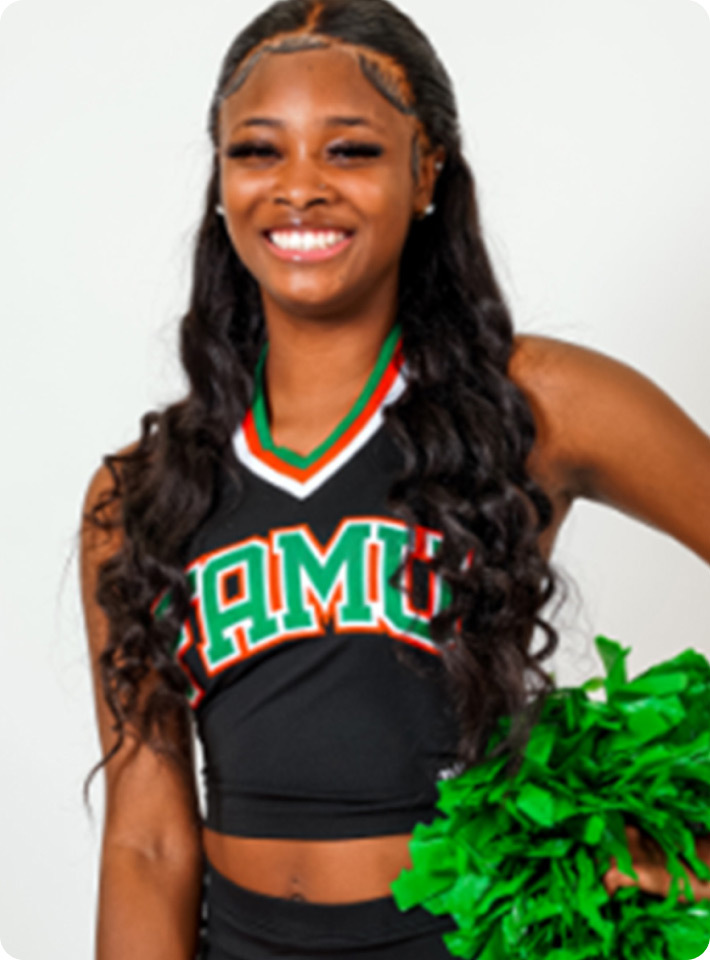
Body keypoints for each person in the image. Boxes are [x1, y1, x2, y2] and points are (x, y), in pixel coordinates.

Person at [79, 0, 710, 957]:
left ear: (426, 174)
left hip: (466, 940)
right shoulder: (138, 492)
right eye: (257, 151)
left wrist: (684, 837)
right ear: (219, 181)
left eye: (351, 152)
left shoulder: (541, 401)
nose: (299, 188)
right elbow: (148, 841)